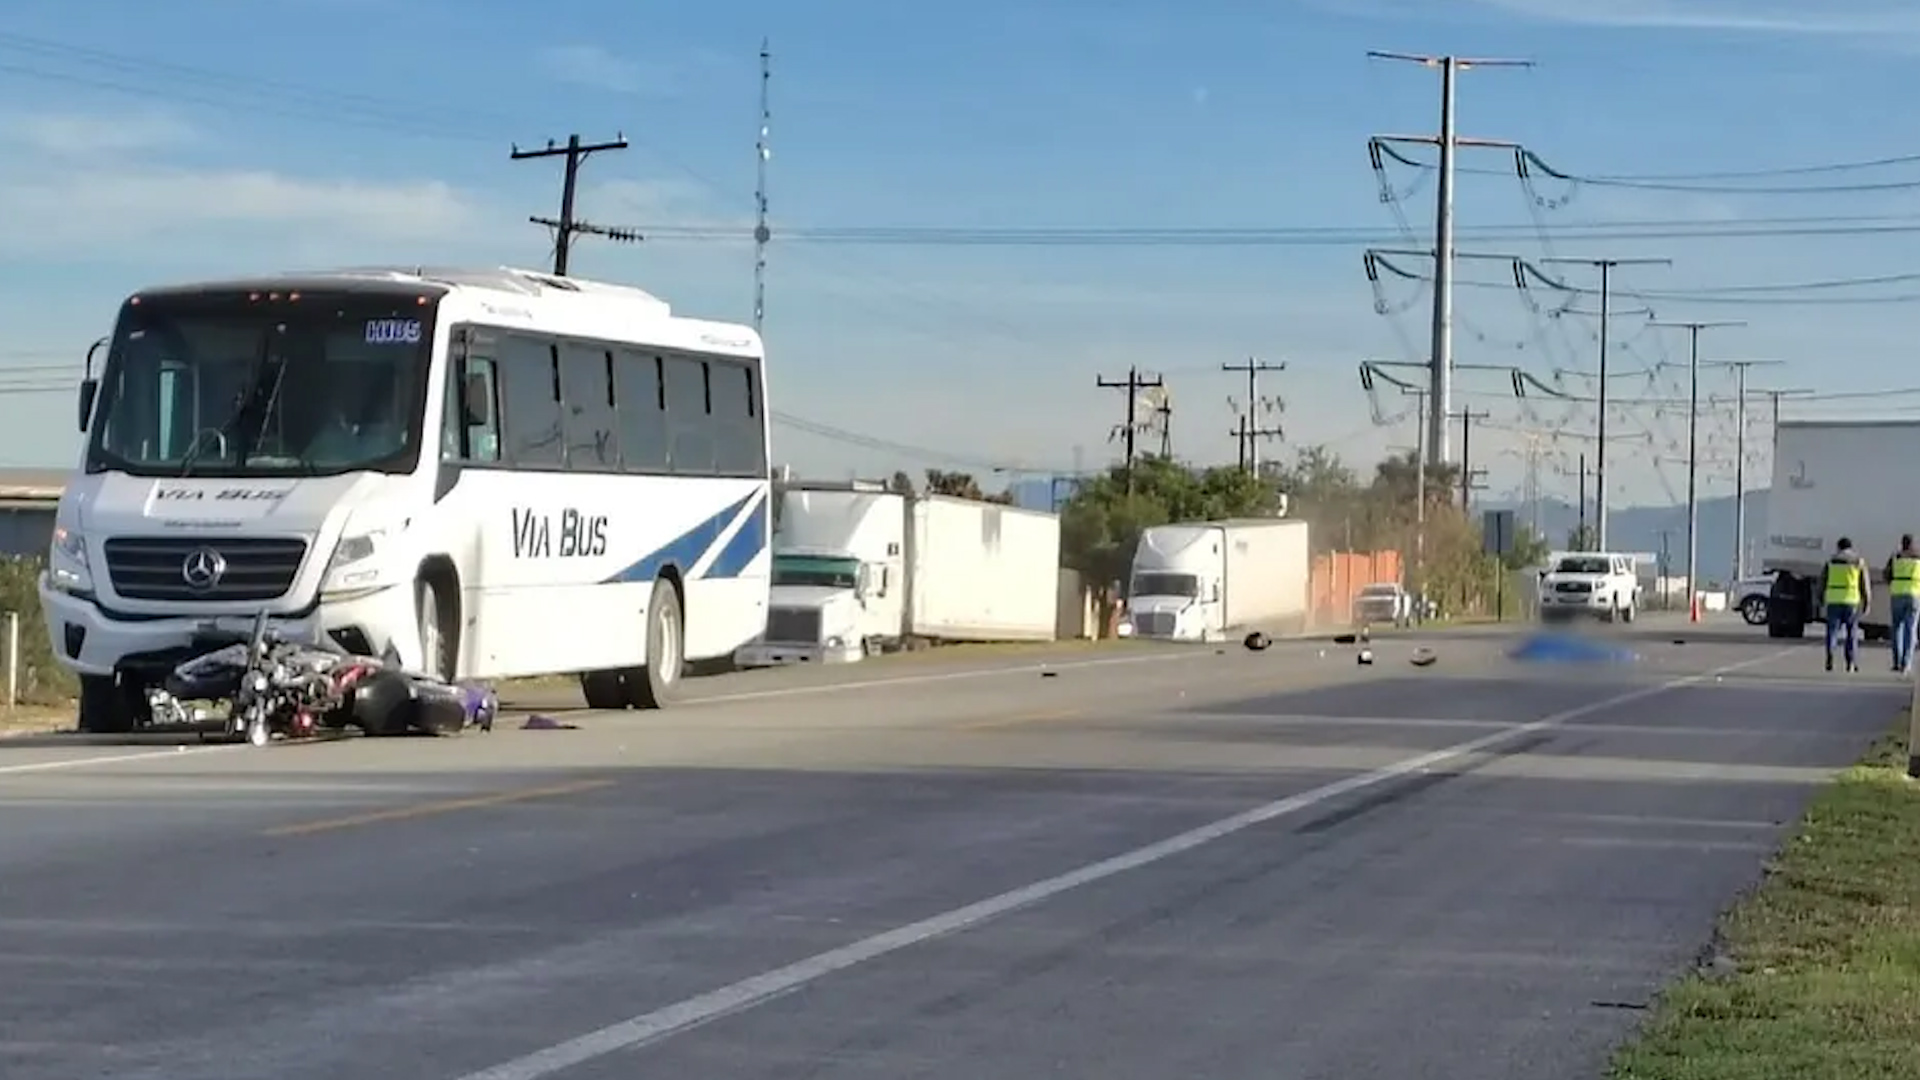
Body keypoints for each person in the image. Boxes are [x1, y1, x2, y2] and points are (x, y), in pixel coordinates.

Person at [1824, 537, 1870, 673]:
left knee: (1832, 631)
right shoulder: (1858, 561)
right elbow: (1864, 584)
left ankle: (1830, 654)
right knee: (1851, 633)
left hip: (1833, 600)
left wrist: (1821, 597)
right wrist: (1867, 602)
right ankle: (1851, 662)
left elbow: (1823, 581)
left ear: (1839, 547)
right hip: (1851, 601)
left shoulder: (1831, 561)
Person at [1888, 535, 1920, 674]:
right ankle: (1906, 663)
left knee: (1896, 629)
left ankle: (1897, 662)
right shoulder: (1918, 558)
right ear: (1913, 544)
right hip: (1914, 595)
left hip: (1897, 594)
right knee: (1911, 629)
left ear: (1902, 544)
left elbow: (1887, 574)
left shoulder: (1895, 557)